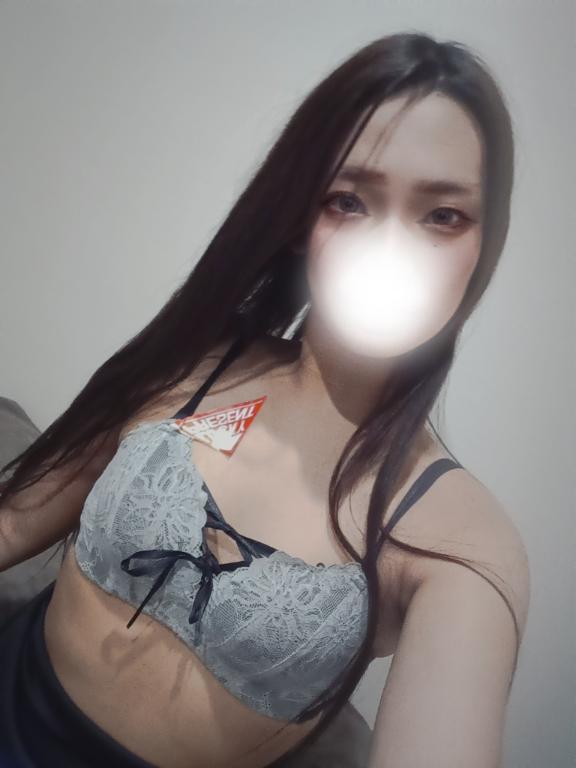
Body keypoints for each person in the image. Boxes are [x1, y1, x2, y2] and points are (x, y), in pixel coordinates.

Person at [0, 31, 530, 768]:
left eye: (442, 215)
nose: (391, 248)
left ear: (483, 245)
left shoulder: (461, 542)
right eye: (349, 201)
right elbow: (14, 520)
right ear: (300, 219)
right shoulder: (193, 360)